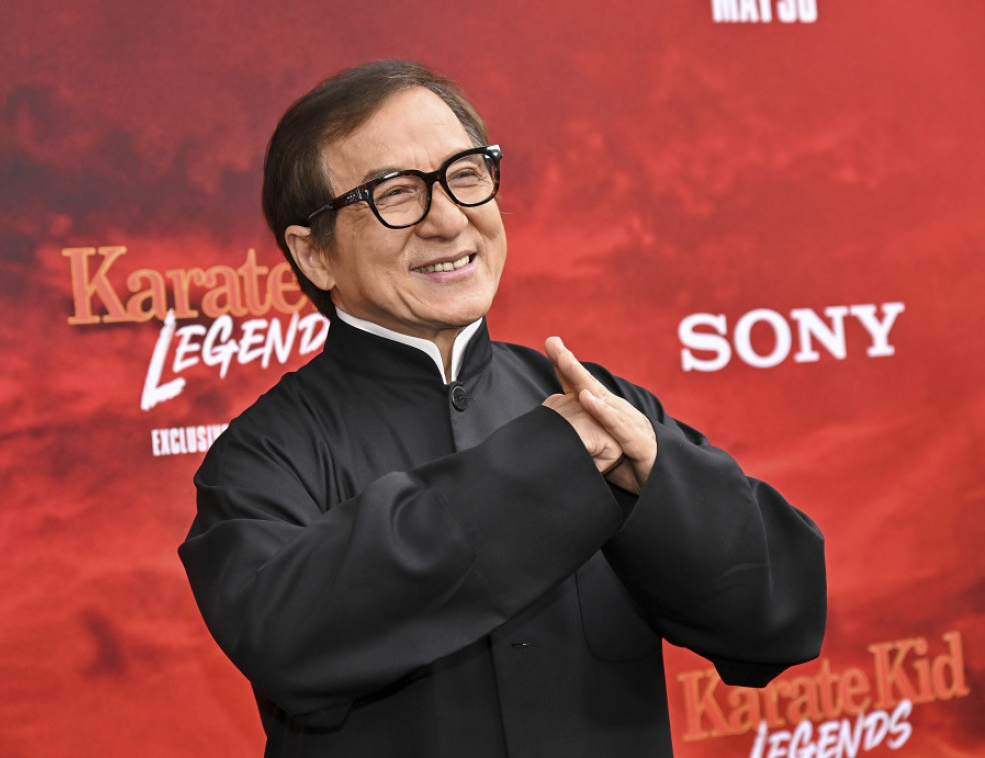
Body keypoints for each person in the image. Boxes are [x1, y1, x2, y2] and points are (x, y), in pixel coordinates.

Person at [179, 60, 826, 758]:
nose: (448, 219)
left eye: (465, 175)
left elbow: (779, 619)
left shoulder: (599, 404)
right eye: (395, 193)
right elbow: (286, 638)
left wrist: (663, 479)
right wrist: (552, 465)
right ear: (314, 255)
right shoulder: (263, 455)